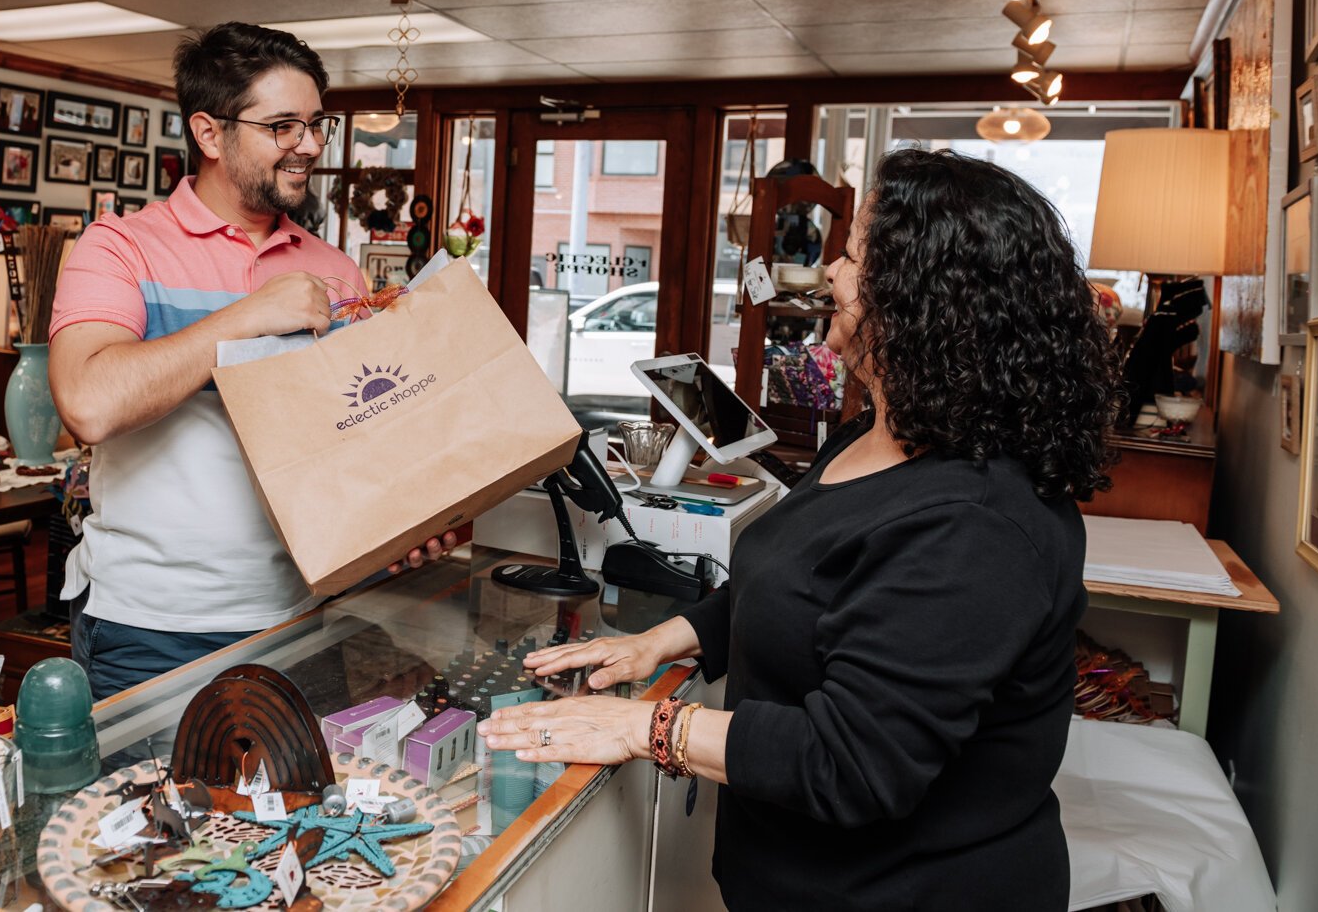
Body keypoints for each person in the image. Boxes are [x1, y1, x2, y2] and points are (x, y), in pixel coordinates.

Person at [479, 148, 1120, 910]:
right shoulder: (875, 433)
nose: (830, 273)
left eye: (852, 256)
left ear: (923, 297)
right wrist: (662, 640)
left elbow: (850, 761)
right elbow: (795, 581)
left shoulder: (977, 525)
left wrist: (644, 727)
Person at [49, 23, 453, 700]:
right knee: (148, 810)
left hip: (299, 616)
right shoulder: (119, 247)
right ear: (209, 134)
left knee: (296, 810)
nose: (312, 146)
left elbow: (354, 447)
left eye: (317, 124)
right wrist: (247, 319)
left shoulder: (336, 273)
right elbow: (89, 403)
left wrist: (403, 521)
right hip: (147, 629)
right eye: (284, 126)